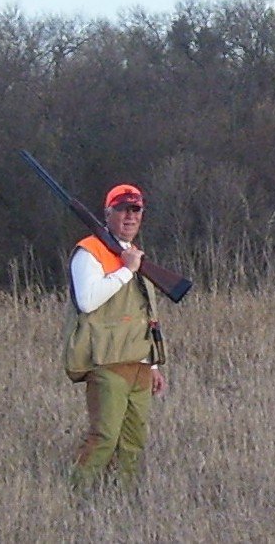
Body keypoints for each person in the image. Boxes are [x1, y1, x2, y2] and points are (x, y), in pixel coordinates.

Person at [62, 183, 167, 489]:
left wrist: (154, 364)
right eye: (122, 209)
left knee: (134, 442)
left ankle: (122, 501)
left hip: (139, 364)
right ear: (107, 214)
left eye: (136, 210)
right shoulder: (89, 253)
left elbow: (145, 314)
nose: (130, 216)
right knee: (104, 438)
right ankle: (77, 496)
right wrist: (125, 271)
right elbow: (87, 301)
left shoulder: (134, 256)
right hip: (106, 362)